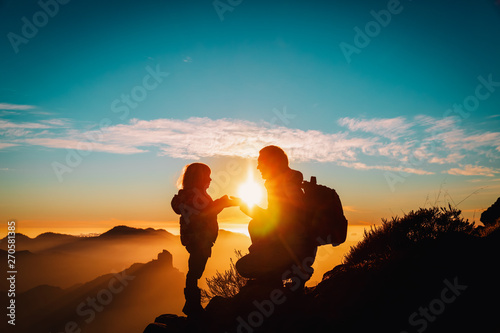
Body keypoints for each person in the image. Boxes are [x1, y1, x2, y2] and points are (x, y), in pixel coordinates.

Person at [235, 146, 317, 290]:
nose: (258, 167)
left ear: (272, 163)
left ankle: (287, 275)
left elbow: (283, 219)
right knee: (255, 224)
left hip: (295, 251)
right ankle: (277, 277)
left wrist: (246, 206)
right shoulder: (282, 183)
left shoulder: (285, 184)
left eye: (261, 162)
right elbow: (276, 217)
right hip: (295, 249)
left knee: (243, 266)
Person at [171, 163, 237, 316]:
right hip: (198, 239)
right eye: (207, 176)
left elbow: (205, 210)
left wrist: (222, 202)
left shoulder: (192, 194)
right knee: (195, 271)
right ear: (199, 178)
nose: (211, 179)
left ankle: (192, 304)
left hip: (198, 239)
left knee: (195, 271)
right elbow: (205, 212)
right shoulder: (194, 195)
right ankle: (192, 305)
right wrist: (222, 203)